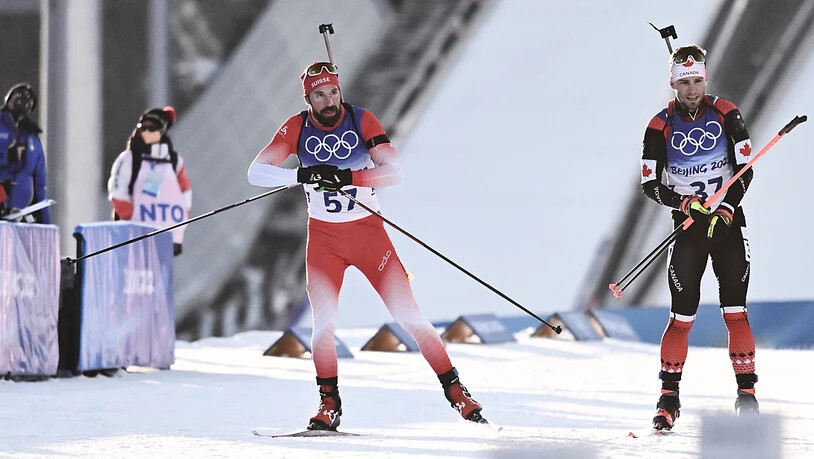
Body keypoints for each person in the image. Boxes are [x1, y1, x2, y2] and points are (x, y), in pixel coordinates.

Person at [247, 62, 486, 431]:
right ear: (308, 98)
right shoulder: (296, 127)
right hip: (324, 241)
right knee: (323, 325)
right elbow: (257, 172)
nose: (329, 101)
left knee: (411, 318)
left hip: (369, 236)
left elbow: (394, 171)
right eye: (320, 95)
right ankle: (329, 405)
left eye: (333, 92)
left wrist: (348, 176)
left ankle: (456, 392)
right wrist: (302, 174)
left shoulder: (361, 120)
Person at [640, 45, 759, 430]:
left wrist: (726, 209)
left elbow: (746, 170)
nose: (692, 90)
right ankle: (668, 399)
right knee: (681, 317)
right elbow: (649, 185)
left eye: (697, 81)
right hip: (689, 226)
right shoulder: (659, 126)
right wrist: (683, 202)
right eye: (684, 82)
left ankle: (747, 396)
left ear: (704, 79)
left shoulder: (726, 112)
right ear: (672, 82)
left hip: (726, 224)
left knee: (735, 313)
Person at [107, 107, 192, 256]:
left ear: (162, 131)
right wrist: (134, 218)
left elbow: (185, 193)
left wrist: (178, 226)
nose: (145, 132)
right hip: (133, 239)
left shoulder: (174, 161)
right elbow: (117, 192)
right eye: (142, 127)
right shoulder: (129, 159)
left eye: (151, 128)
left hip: (166, 241)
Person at [0, 83, 51, 224]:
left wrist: (45, 222)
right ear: (8, 99)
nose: (24, 101)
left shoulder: (32, 136)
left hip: (21, 214)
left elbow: (40, 183)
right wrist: (7, 156)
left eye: (29, 99)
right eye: (19, 96)